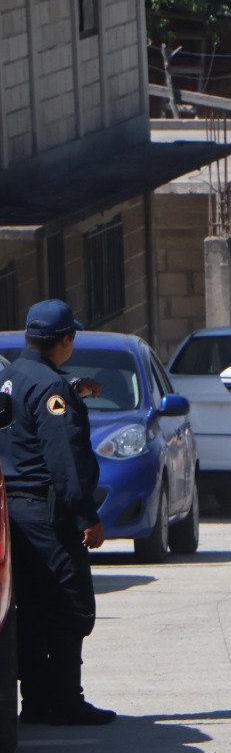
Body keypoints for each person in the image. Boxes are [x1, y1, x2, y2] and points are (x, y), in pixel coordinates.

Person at [0, 300, 115, 725]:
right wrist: (87, 517)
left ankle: (35, 701)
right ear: (65, 340)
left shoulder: (9, 378)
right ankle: (66, 700)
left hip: (13, 515)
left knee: (30, 611)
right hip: (48, 516)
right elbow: (64, 460)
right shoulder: (52, 390)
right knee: (70, 607)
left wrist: (71, 388)